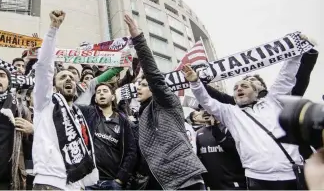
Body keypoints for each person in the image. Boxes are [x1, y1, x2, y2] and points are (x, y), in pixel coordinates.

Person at [182, 52, 306, 190]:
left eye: (244, 86)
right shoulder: (230, 113)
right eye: (235, 88)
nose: (239, 88)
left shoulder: (273, 102)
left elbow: (286, 77)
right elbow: (206, 101)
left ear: (256, 92)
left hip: (291, 175)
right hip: (257, 179)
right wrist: (195, 82)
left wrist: (296, 53)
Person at [123, 14, 207, 190]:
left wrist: (138, 39)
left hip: (183, 180)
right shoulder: (141, 116)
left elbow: (153, 74)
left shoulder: (167, 102)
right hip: (157, 183)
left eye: (144, 85)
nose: (138, 88)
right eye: (139, 84)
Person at [32, 10, 99, 190]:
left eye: (71, 76)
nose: (68, 78)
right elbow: (44, 67)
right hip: (50, 181)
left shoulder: (78, 113)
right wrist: (53, 29)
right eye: (62, 77)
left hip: (77, 184)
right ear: (53, 86)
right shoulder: (44, 102)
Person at [85, 83, 137, 190]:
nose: (101, 94)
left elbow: (131, 151)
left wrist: (120, 179)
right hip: (90, 182)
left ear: (113, 97)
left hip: (112, 182)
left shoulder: (123, 121)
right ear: (95, 99)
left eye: (105, 91)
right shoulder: (89, 115)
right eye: (98, 92)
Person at [194, 110, 246, 190]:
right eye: (201, 109)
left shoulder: (230, 129)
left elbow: (232, 149)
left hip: (234, 184)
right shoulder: (198, 134)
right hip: (212, 185)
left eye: (207, 108)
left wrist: (215, 126)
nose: (205, 111)